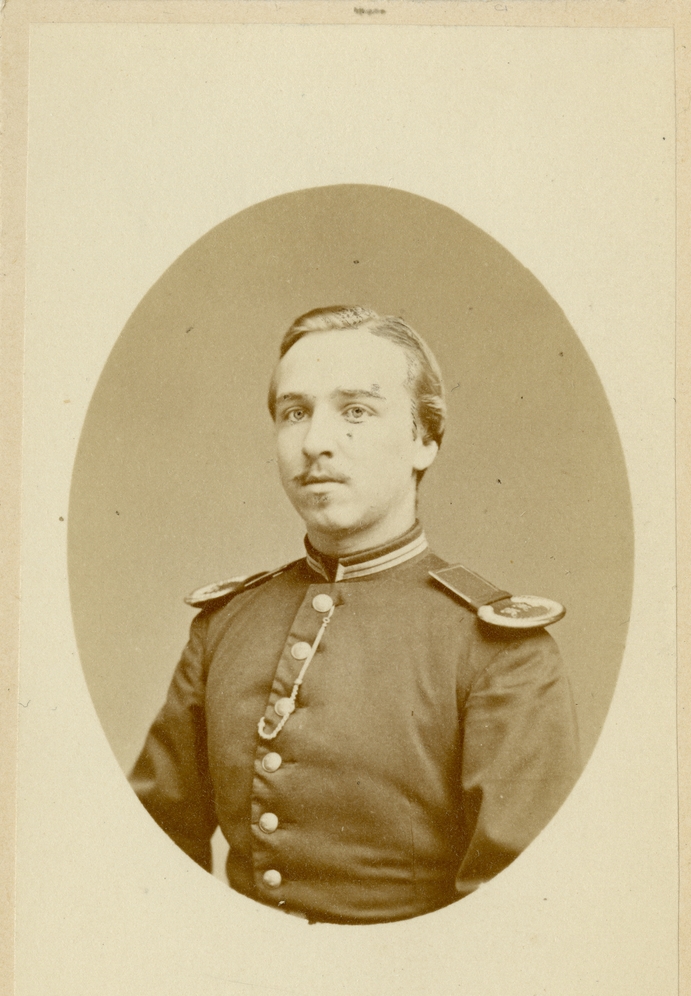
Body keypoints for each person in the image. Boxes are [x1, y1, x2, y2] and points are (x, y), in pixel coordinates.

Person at [130, 305, 580, 925]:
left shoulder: (501, 651)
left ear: (425, 440)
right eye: (295, 412)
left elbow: (516, 919)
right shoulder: (226, 625)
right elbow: (150, 860)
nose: (315, 442)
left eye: (356, 411)